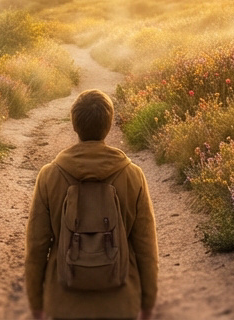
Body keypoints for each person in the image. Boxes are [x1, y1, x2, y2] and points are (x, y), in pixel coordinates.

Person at [25, 89, 158, 320]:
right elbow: (146, 247)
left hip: (64, 302)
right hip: (121, 301)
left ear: (74, 126)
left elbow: (36, 248)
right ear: (109, 126)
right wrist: (148, 303)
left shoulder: (49, 176)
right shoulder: (133, 175)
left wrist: (36, 304)